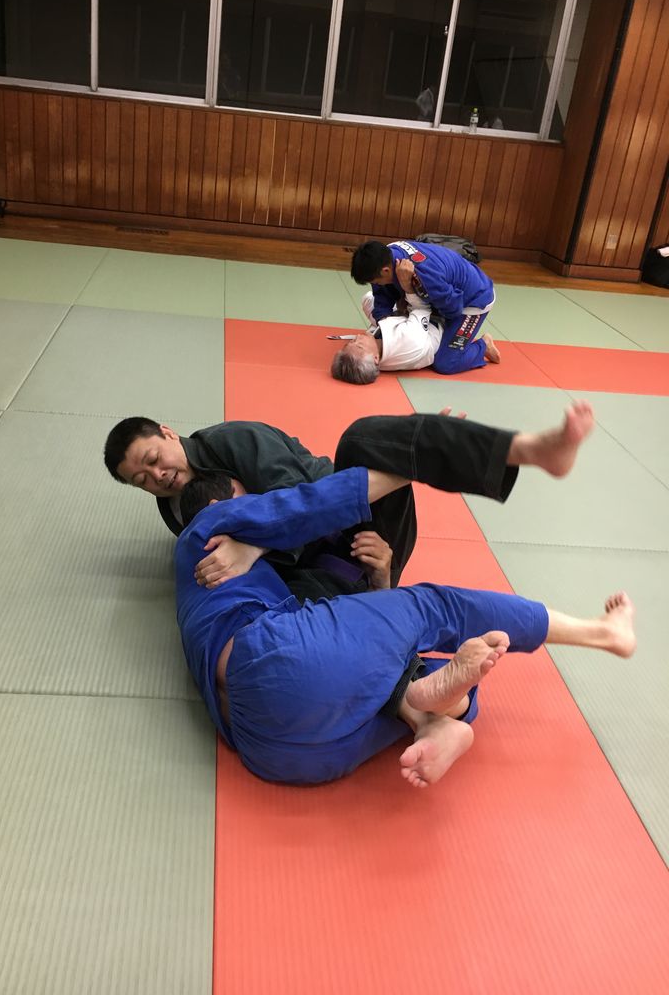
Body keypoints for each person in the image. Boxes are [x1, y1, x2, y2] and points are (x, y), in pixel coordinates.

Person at [170, 454, 635, 788]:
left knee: (406, 682)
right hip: (273, 659)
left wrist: (381, 577)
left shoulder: (205, 585)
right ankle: (598, 632)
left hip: (274, 752)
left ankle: (428, 717)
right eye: (248, 499)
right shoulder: (210, 525)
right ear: (219, 506)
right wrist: (419, 462)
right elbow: (308, 506)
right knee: (435, 607)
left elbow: (346, 649)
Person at [104, 404, 588, 596]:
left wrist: (253, 545)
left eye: (153, 458)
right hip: (322, 569)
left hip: (358, 518)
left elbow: (303, 500)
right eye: (141, 480)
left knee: (358, 439)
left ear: (168, 432)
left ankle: (527, 449)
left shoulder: (235, 440)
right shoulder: (172, 508)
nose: (157, 476)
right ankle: (422, 454)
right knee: (294, 609)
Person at [333, 239, 501, 385]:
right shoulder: (384, 256)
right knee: (381, 298)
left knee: (445, 363)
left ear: (385, 271)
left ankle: (483, 346)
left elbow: (453, 310)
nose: (376, 284)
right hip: (441, 294)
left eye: (376, 281)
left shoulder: (423, 275)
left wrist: (409, 292)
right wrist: (386, 322)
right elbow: (381, 297)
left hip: (473, 300)